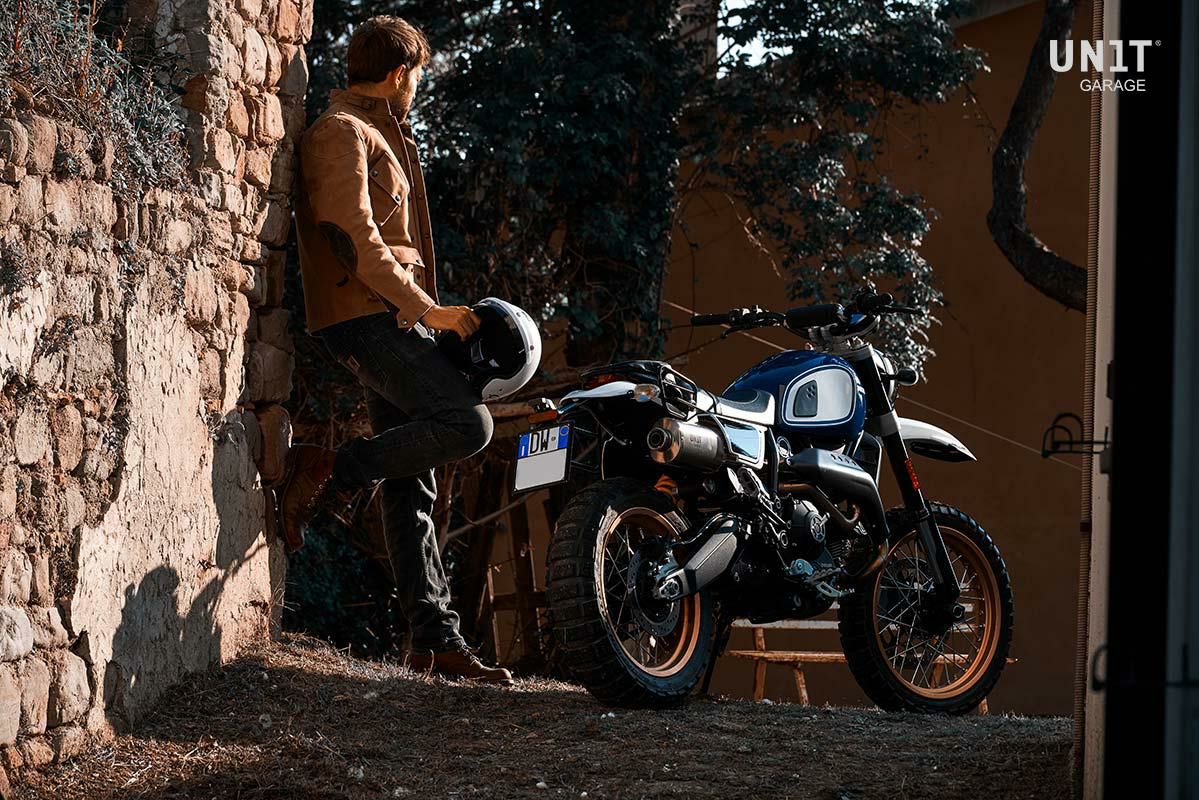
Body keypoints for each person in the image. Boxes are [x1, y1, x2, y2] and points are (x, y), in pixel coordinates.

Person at [281, 15, 512, 686]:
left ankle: (434, 642)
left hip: (393, 316)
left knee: (413, 483)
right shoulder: (341, 132)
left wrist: (422, 311)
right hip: (367, 318)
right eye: (416, 78)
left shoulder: (377, 131)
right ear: (398, 74)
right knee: (468, 424)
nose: (417, 90)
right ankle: (331, 467)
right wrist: (426, 309)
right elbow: (351, 233)